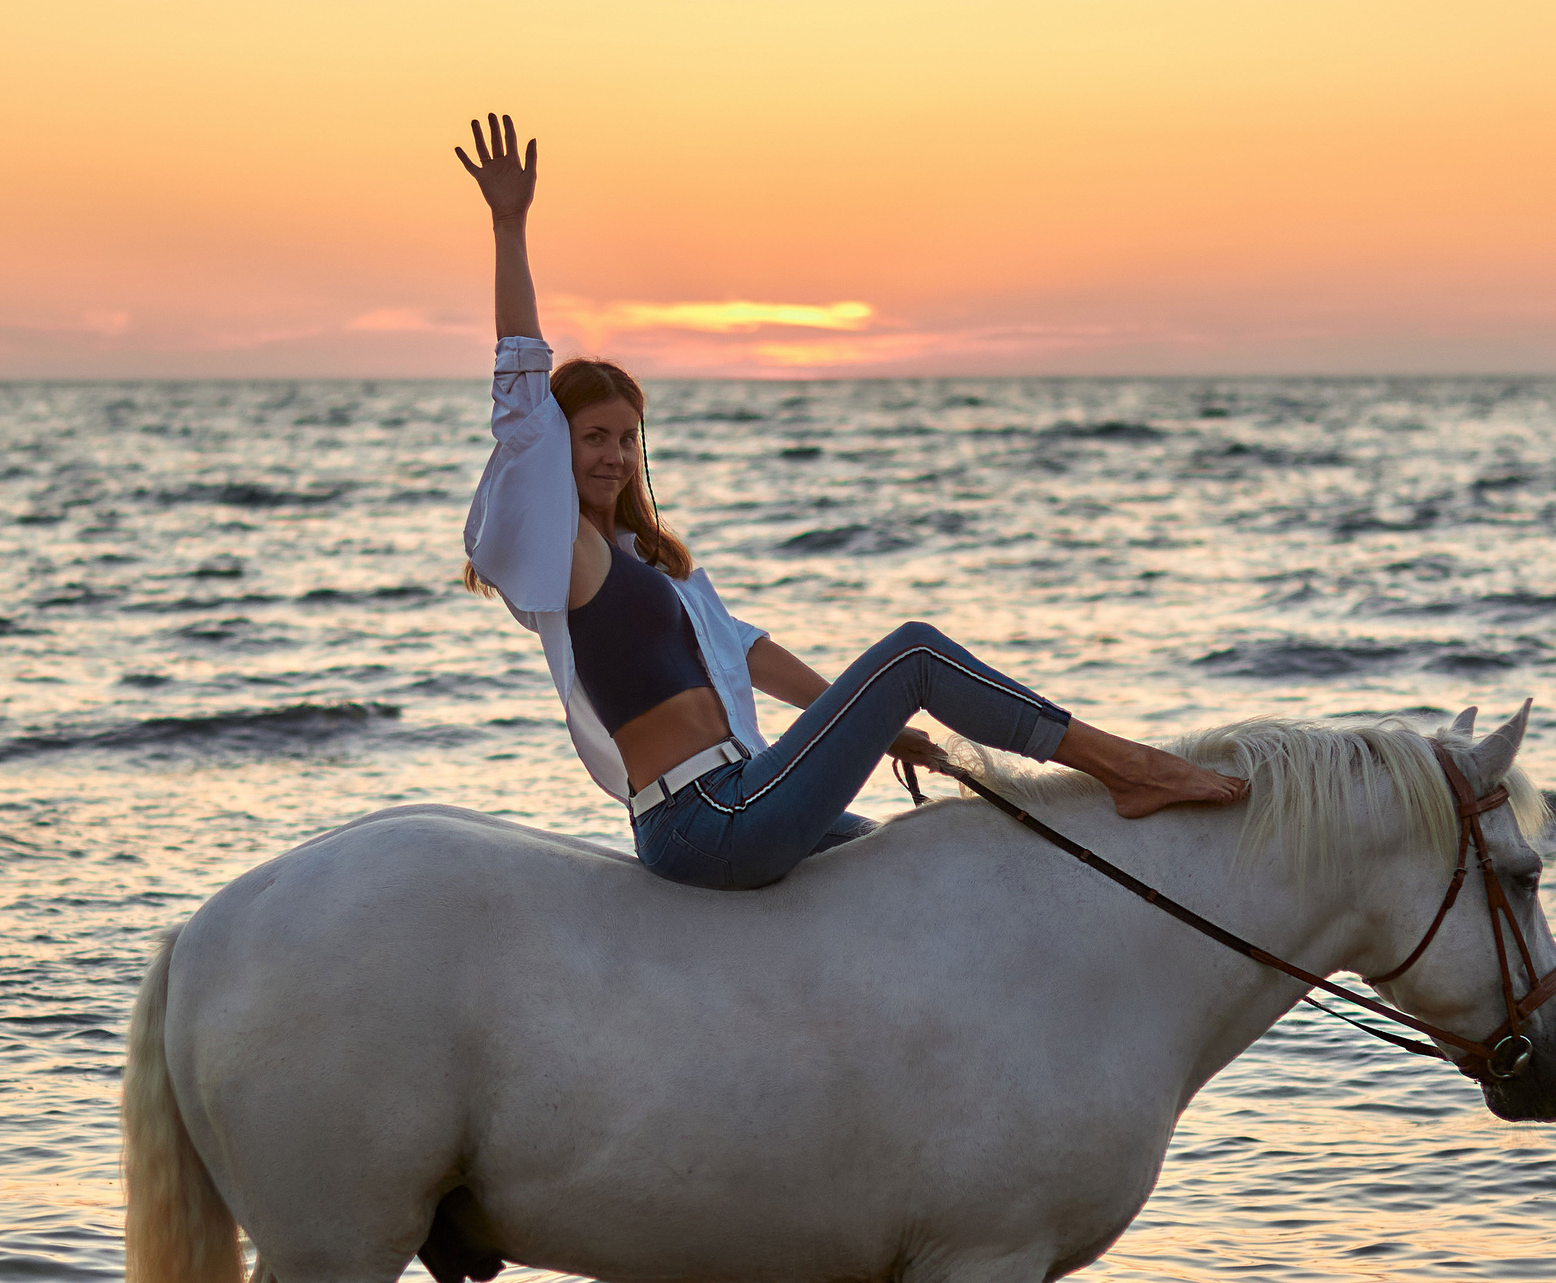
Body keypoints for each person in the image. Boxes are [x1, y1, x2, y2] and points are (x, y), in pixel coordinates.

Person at [456, 113, 1246, 891]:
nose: (616, 456)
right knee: (915, 654)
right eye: (595, 436)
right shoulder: (569, 554)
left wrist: (876, 725)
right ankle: (1130, 768)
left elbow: (747, 651)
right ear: (559, 445)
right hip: (703, 816)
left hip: (747, 785)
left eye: (629, 438)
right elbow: (523, 398)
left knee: (922, 875)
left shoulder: (642, 563)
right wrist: (509, 226)